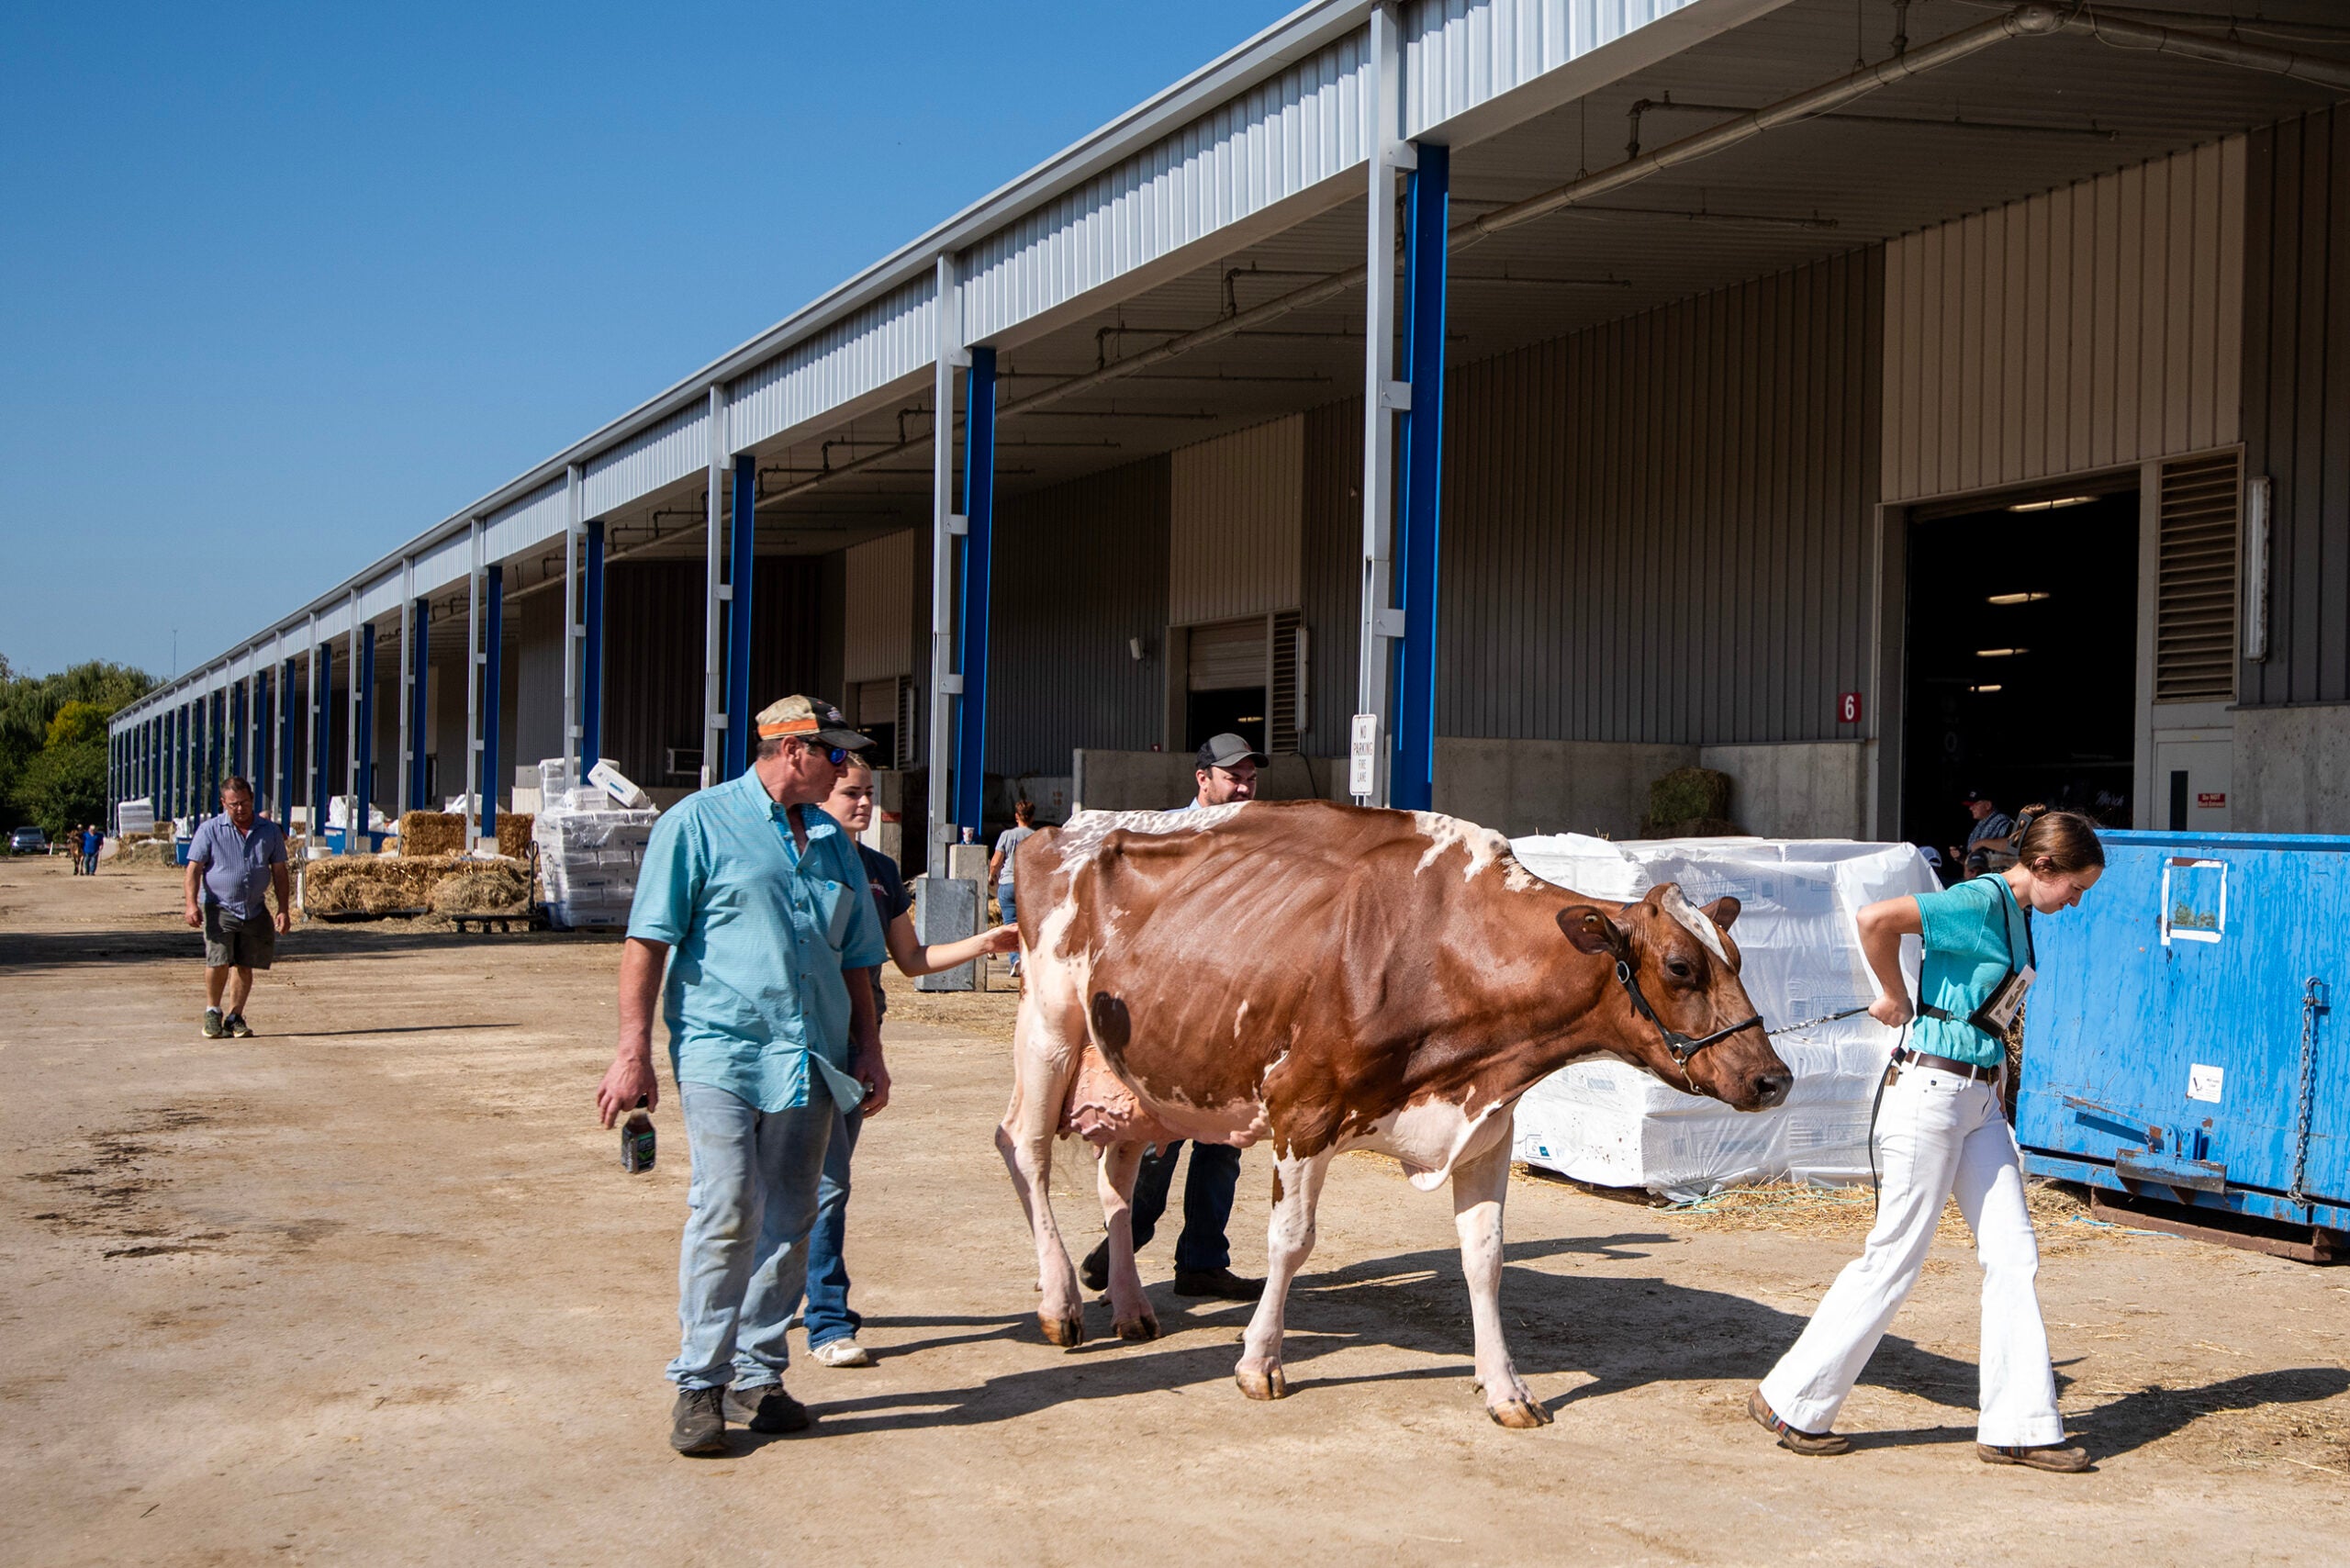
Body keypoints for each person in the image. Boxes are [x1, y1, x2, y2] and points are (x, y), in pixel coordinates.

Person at [1750, 807, 2105, 1473]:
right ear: (2045, 867)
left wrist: (1996, 1076)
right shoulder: (1976, 899)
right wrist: (1891, 994)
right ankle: (1792, 1399)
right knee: (1894, 1258)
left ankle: (2019, 1425)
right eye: (2077, 888)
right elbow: (1875, 920)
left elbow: (1987, 1007)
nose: (2077, 902)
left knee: (2014, 1254)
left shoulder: (2017, 911)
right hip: (1931, 1095)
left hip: (1977, 1098)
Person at [594, 695, 889, 1455]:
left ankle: (759, 1372)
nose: (843, 767)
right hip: (724, 1051)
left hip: (811, 1057)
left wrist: (870, 1047)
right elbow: (647, 941)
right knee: (727, 1208)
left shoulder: (831, 840)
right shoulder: (695, 824)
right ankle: (700, 1381)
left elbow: (857, 956)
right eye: (833, 753)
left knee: (795, 1217)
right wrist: (633, 1051)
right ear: (794, 751)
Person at [790, 758, 1020, 1368]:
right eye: (850, 794)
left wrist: (985, 944)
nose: (863, 805)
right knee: (818, 1184)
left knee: (822, 1183)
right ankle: (826, 1318)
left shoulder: (880, 871)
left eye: (869, 795)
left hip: (856, 1038)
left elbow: (911, 959)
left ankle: (803, 1299)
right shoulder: (793, 860)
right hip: (797, 1036)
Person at [1079, 733, 1267, 1303]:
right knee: (1157, 1141)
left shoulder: (1256, 843)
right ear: (1202, 778)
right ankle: (1120, 1250)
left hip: (1232, 1015)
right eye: (1233, 776)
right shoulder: (1160, 837)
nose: (1244, 786)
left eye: (1251, 778)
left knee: (1224, 1147)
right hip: (1170, 1014)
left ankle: (1203, 1263)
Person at [182, 778, 293, 1039]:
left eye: (244, 803)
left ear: (252, 800)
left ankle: (235, 1016)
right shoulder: (209, 830)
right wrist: (190, 904)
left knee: (245, 964)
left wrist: (283, 909)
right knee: (218, 960)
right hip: (219, 907)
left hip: (254, 908)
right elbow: (193, 869)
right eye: (233, 805)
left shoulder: (269, 831)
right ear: (223, 803)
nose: (239, 809)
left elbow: (279, 872)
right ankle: (212, 1011)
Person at [989, 799, 1037, 979]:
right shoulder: (1036, 836)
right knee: (1028, 926)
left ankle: (1015, 959)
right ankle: (1029, 961)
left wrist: (992, 876)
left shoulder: (1006, 836)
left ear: (1016, 816)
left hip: (1008, 882)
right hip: (1028, 886)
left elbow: (996, 861)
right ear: (1032, 818)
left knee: (1010, 924)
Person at [1949, 790, 2015, 878]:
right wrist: (1961, 858)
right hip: (1979, 879)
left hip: (1997, 879)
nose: (1971, 808)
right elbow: (1978, 860)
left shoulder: (2004, 822)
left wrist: (1982, 842)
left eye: (1975, 804)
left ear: (1988, 805)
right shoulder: (1980, 826)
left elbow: (2012, 845)